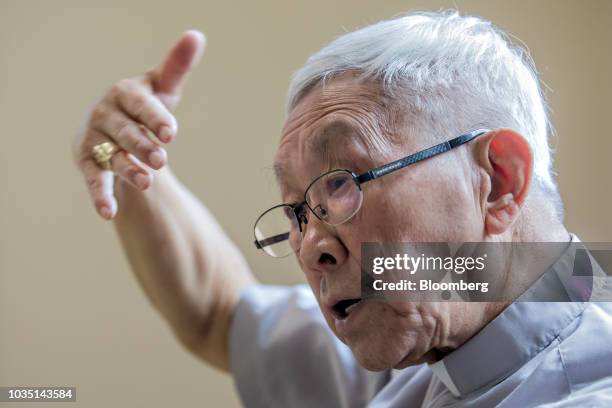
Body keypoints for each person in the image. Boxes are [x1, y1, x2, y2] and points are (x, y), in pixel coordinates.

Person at [73, 10, 612, 407]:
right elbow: (220, 315)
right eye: (296, 212)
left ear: (497, 181)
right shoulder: (420, 352)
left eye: (344, 183)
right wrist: (132, 159)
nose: (311, 247)